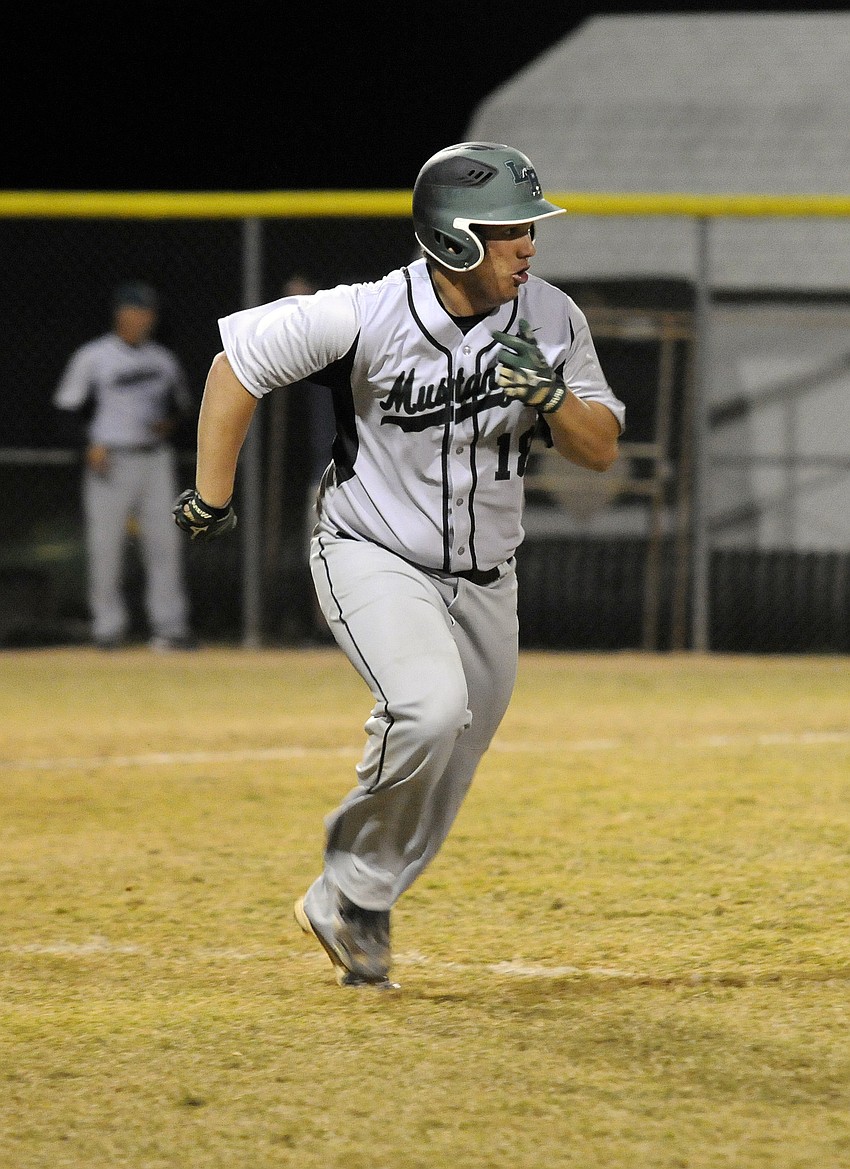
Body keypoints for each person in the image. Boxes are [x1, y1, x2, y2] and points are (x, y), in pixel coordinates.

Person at [174, 142, 625, 988]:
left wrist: (553, 400)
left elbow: (600, 450)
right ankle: (345, 888)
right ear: (454, 238)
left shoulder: (552, 317)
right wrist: (212, 493)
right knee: (427, 709)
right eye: (508, 228)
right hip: (372, 549)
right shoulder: (366, 314)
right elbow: (235, 366)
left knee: (453, 757)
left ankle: (362, 894)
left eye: (529, 226)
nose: (529, 242)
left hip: (490, 576)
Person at [54, 280, 196, 650]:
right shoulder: (94, 356)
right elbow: (66, 409)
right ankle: (107, 628)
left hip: (154, 460)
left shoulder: (162, 359)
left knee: (165, 545)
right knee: (106, 546)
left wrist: (170, 423)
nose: (143, 319)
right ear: (120, 314)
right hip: (110, 461)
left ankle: (170, 628)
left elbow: (182, 407)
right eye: (136, 311)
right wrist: (88, 444)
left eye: (148, 312)